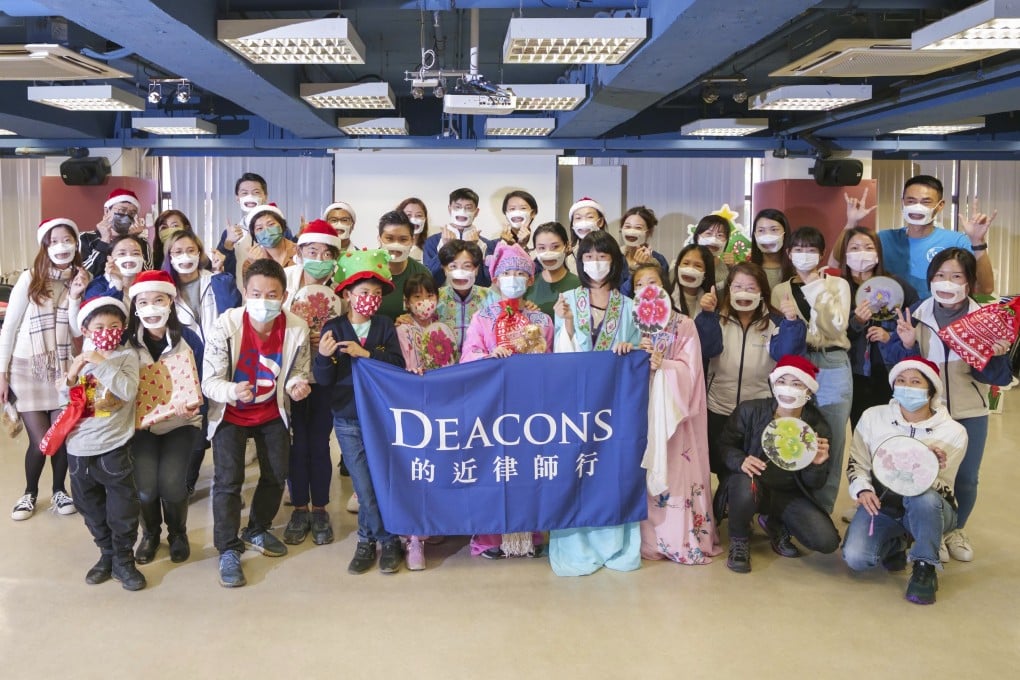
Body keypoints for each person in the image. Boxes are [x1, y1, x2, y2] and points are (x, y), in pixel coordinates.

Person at [880, 248, 1012, 563]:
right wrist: (907, 344)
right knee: (922, 474)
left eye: (956, 276)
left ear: (968, 283)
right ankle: (928, 533)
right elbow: (896, 370)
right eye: (940, 275)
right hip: (924, 413)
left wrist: (995, 354)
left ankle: (954, 530)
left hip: (970, 411)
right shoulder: (916, 314)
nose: (947, 282)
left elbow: (1000, 377)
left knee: (966, 477)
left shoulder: (983, 319)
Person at [201, 258, 311, 588]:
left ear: (285, 295)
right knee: (228, 481)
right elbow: (209, 381)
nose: (264, 300)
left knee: (277, 474)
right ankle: (228, 548)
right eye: (256, 293)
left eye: (272, 294)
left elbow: (298, 371)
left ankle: (257, 528)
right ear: (245, 293)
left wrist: (296, 385)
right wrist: (232, 390)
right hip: (231, 413)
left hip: (270, 411)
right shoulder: (226, 325)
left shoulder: (296, 327)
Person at [549, 230, 640, 576]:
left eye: (602, 257)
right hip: (575, 402)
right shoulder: (567, 300)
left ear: (614, 261)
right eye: (588, 257)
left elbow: (640, 354)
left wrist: (630, 348)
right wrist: (569, 326)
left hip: (616, 405)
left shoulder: (629, 306)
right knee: (577, 467)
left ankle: (614, 540)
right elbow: (561, 354)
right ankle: (576, 541)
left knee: (612, 469)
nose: (595, 264)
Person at [843, 357, 967, 605]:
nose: (907, 387)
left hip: (933, 507)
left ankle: (924, 567)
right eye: (901, 381)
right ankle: (897, 543)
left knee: (922, 498)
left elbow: (945, 484)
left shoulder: (953, 432)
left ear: (931, 389)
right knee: (856, 557)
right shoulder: (872, 417)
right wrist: (863, 490)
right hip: (884, 504)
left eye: (915, 382)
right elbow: (857, 462)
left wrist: (930, 466)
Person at [314, 249, 406, 574]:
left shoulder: (383, 326)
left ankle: (367, 542)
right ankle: (388, 539)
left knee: (382, 481)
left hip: (381, 417)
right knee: (364, 486)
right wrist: (324, 357)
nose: (371, 299)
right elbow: (324, 380)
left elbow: (397, 364)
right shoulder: (334, 327)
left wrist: (365, 353)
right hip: (349, 417)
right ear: (348, 295)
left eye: (377, 294)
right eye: (364, 293)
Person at [460, 241, 553, 559]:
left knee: (530, 468)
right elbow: (467, 355)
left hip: (530, 407)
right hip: (493, 407)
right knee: (494, 468)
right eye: (507, 273)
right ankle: (490, 537)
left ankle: (534, 535)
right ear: (496, 280)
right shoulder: (482, 318)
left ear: (530, 280)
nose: (513, 278)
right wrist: (489, 355)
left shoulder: (542, 321)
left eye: (520, 273)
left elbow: (552, 363)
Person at [694, 262, 806, 506]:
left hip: (757, 409)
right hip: (719, 405)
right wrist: (707, 316)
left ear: (762, 291)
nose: (744, 292)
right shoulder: (718, 318)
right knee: (722, 459)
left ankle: (747, 505)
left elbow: (788, 355)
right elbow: (708, 349)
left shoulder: (775, 320)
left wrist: (791, 321)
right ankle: (728, 497)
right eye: (738, 286)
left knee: (755, 462)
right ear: (729, 290)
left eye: (751, 287)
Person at [0, 218, 88, 521]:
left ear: (76, 244)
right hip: (28, 368)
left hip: (63, 369)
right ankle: (29, 493)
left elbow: (78, 329)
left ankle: (59, 490)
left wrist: (76, 295)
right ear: (45, 247)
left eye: (67, 240)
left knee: (60, 436)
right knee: (40, 442)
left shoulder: (79, 279)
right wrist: (2, 373)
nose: (61, 246)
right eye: (53, 241)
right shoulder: (30, 278)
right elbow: (8, 328)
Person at [633, 264, 721, 565]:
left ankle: (680, 538)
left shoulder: (683, 323)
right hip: (640, 412)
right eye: (639, 283)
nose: (646, 287)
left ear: (665, 286)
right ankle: (647, 539)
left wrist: (663, 366)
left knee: (676, 471)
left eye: (653, 281)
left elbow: (691, 370)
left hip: (676, 414)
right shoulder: (630, 322)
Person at [718, 356, 839, 573]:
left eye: (796, 383)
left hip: (789, 493)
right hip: (751, 482)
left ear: (809, 391)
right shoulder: (750, 410)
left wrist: (817, 465)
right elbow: (724, 446)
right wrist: (741, 461)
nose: (788, 389)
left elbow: (815, 483)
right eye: (782, 381)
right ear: (773, 384)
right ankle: (739, 538)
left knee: (826, 540)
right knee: (746, 486)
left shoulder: (817, 427)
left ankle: (774, 523)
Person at [63, 296, 145, 590]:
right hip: (78, 449)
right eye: (99, 326)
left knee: (122, 507)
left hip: (113, 448)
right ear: (86, 330)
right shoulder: (80, 359)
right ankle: (106, 554)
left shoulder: (127, 357)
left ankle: (124, 559)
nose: (106, 331)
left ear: (123, 327)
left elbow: (127, 390)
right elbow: (66, 399)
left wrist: (100, 362)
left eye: (114, 325)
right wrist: (72, 374)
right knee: (89, 506)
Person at [771, 226, 852, 514]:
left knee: (830, 438)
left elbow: (835, 327)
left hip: (832, 362)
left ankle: (823, 510)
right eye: (798, 249)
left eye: (811, 249)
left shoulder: (837, 285)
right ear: (789, 253)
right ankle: (792, 508)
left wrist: (817, 287)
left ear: (820, 253)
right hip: (798, 364)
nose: (804, 255)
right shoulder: (780, 290)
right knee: (793, 429)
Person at [126, 271, 203, 565]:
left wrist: (196, 405)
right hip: (140, 426)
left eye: (158, 300)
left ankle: (177, 533)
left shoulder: (189, 339)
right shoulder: (127, 342)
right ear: (135, 307)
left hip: (181, 424)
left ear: (171, 301)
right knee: (145, 488)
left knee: (171, 484)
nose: (151, 308)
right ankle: (150, 534)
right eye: (143, 302)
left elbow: (205, 381)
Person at [161, 230, 241, 496]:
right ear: (169, 256)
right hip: (183, 367)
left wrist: (221, 276)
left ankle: (227, 488)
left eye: (191, 250)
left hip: (220, 364)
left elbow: (233, 312)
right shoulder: (165, 289)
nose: (185, 257)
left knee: (222, 429)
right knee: (192, 426)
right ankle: (187, 481)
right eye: (178, 252)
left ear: (200, 253)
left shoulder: (215, 280)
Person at [281, 219, 344, 547]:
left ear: (335, 257)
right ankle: (299, 507)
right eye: (311, 250)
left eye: (325, 252)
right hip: (289, 375)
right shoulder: (285, 282)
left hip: (326, 375)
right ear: (300, 252)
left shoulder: (343, 287)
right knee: (296, 442)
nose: (318, 257)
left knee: (319, 442)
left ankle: (319, 508)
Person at [395, 272, 458, 569]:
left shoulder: (445, 329)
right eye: (417, 297)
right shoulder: (401, 329)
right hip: (409, 409)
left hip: (442, 407)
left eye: (429, 295)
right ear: (407, 302)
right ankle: (412, 539)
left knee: (436, 467)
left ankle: (431, 525)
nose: (424, 302)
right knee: (412, 470)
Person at [841, 177, 995, 297]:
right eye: (911, 201)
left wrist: (977, 242)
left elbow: (985, 288)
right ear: (903, 203)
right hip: (890, 319)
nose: (917, 207)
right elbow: (836, 264)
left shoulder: (956, 241)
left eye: (926, 202)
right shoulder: (884, 239)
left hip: (936, 319)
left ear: (940, 205)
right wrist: (851, 222)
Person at [838, 227, 919, 427]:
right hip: (853, 372)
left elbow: (914, 319)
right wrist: (857, 322)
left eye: (868, 247)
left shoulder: (895, 284)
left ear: (878, 253)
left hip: (890, 371)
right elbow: (831, 332)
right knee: (861, 430)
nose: (861, 253)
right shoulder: (839, 287)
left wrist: (890, 335)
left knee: (890, 429)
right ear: (845, 253)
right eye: (854, 248)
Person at [423, 188, 496, 288]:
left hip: (475, 301)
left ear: (476, 212)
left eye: (468, 208)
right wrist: (446, 248)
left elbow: (485, 283)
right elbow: (429, 279)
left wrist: (473, 249)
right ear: (449, 209)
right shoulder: (432, 242)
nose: (462, 211)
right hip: (441, 300)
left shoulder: (486, 244)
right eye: (457, 207)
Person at [79, 188, 151, 278]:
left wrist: (133, 240)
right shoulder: (86, 238)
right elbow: (85, 275)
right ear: (106, 211)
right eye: (121, 210)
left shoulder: (141, 242)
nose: (126, 215)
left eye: (132, 213)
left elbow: (147, 275)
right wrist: (104, 240)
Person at [435, 240, 492, 353]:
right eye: (453, 266)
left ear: (476, 269)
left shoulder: (490, 297)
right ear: (444, 270)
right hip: (445, 366)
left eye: (467, 266)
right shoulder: (435, 298)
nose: (460, 272)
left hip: (479, 363)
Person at [376, 211, 432, 321]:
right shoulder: (365, 270)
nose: (396, 245)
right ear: (379, 239)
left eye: (403, 239)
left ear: (412, 241)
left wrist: (413, 320)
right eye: (389, 238)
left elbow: (428, 315)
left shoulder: (422, 274)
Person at [526, 222, 580, 318]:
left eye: (555, 247)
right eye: (542, 248)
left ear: (566, 246)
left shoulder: (578, 285)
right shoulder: (529, 284)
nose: (548, 253)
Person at [619, 206, 670, 298]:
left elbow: (664, 294)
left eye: (638, 228)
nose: (631, 231)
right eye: (627, 226)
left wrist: (648, 265)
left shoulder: (659, 260)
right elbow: (618, 295)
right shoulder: (615, 257)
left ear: (648, 232)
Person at [82, 234, 146, 303]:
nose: (129, 257)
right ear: (109, 258)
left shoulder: (149, 283)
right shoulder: (96, 287)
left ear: (142, 258)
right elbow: (105, 311)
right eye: (122, 253)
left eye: (136, 253)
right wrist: (117, 283)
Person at [242, 203, 299, 276]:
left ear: (281, 226)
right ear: (255, 236)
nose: (267, 231)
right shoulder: (250, 263)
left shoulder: (301, 252)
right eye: (259, 228)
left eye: (271, 224)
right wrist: (257, 266)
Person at [669, 243, 715, 319]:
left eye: (698, 266)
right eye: (686, 263)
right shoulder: (665, 297)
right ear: (678, 266)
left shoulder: (711, 302)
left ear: (706, 273)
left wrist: (709, 313)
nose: (690, 269)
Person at [749, 208, 791, 290]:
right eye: (761, 230)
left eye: (774, 229)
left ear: (785, 233)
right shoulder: (748, 269)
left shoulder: (797, 269)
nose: (767, 235)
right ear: (755, 234)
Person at [690, 214, 733, 287]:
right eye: (708, 233)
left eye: (720, 235)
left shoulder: (727, 268)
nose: (713, 240)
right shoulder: (684, 264)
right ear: (697, 237)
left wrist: (733, 269)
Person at [397, 197, 430, 262]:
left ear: (425, 220)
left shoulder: (430, 249)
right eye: (408, 215)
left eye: (419, 215)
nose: (414, 219)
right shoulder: (390, 247)